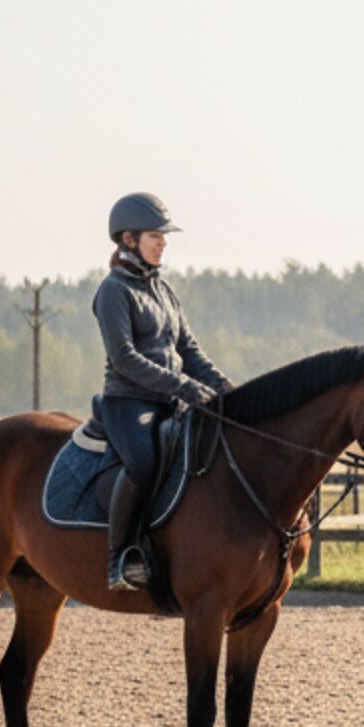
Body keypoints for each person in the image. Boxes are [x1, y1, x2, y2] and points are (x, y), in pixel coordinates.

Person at [91, 192, 232, 592]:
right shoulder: (113, 290)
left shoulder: (164, 291)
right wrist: (185, 386)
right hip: (128, 401)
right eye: (156, 235)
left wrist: (226, 389)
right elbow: (124, 358)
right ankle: (119, 557)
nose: (163, 242)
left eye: (164, 236)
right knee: (143, 462)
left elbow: (189, 350)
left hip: (169, 398)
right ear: (129, 239)